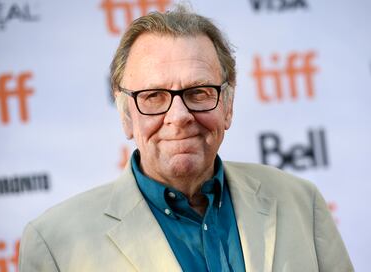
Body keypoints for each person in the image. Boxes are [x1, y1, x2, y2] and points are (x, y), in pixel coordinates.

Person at [18, 5, 353, 272]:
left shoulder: (300, 202)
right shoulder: (54, 244)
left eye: (199, 92)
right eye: (153, 97)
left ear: (228, 105)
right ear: (125, 116)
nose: (179, 117)